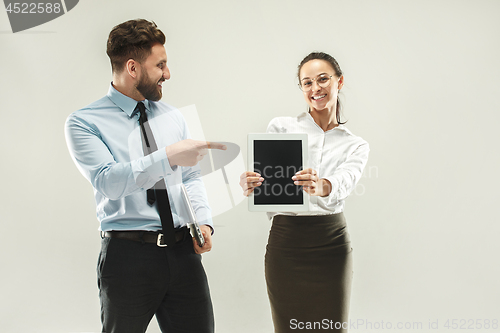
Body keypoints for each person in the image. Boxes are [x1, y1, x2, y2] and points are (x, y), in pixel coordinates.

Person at [64, 19, 225, 333]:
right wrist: (168, 156)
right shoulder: (83, 122)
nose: (168, 74)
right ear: (133, 68)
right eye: (160, 65)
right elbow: (109, 182)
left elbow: (191, 178)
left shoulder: (173, 117)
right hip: (128, 258)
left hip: (183, 254)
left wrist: (203, 220)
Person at [240, 52, 369, 332]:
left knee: (331, 328)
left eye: (323, 79)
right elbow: (269, 188)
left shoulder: (355, 145)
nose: (316, 89)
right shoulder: (281, 127)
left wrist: (322, 185)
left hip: (330, 242)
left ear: (340, 82)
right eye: (307, 83)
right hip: (286, 243)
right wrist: (252, 186)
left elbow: (345, 181)